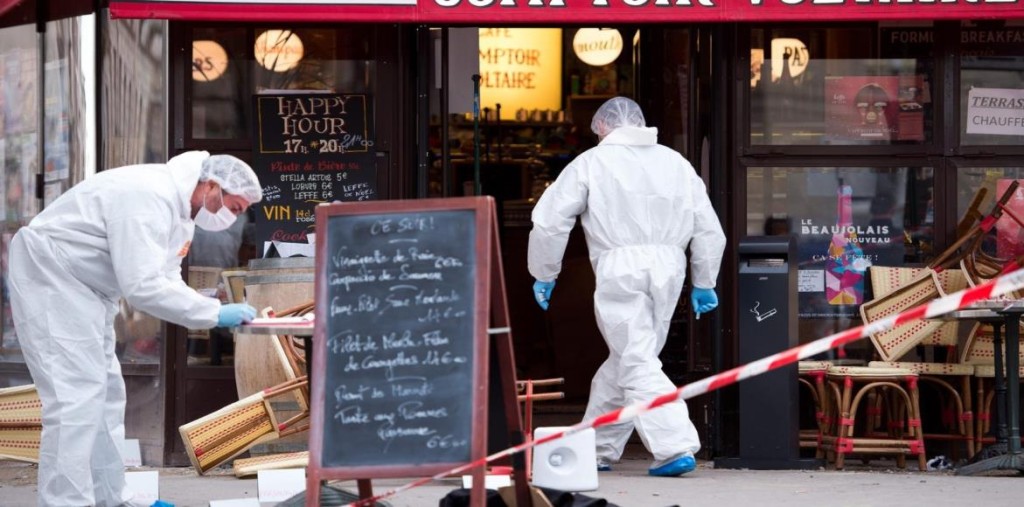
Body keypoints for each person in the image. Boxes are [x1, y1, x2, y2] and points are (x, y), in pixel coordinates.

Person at [7, 151, 262, 506]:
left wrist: (210, 309)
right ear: (212, 186)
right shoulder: (149, 196)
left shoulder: (180, 212)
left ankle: (111, 497)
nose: (232, 218)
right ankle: (65, 502)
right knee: (74, 399)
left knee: (108, 395)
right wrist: (215, 313)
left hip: (85, 288)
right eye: (233, 208)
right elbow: (143, 287)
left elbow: (166, 279)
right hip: (52, 276)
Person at [528, 97, 726, 477]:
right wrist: (704, 280)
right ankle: (596, 448)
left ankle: (674, 446)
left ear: (602, 127)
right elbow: (708, 227)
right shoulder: (675, 163)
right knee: (628, 358)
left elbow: (550, 222)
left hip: (620, 268)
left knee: (636, 359)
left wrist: (544, 272)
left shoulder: (591, 163)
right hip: (670, 268)